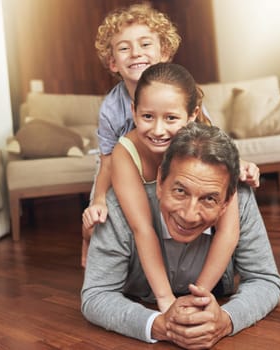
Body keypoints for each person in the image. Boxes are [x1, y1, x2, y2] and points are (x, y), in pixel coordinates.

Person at [82, 2, 259, 264]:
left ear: (164, 51)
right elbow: (107, 159)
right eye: (123, 48)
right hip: (123, 167)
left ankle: (210, 257)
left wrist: (239, 162)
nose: (135, 53)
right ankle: (87, 246)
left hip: (169, 165)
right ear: (112, 63)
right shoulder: (111, 106)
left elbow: (209, 135)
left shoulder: (182, 91)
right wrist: (98, 200)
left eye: (145, 44)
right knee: (95, 219)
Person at [81, 122, 280, 349]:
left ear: (227, 201)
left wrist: (225, 320)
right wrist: (159, 324)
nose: (189, 215)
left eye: (209, 199)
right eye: (180, 191)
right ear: (160, 181)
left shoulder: (241, 200)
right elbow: (97, 295)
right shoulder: (118, 207)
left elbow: (265, 280)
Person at [92, 62, 240, 314]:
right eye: (147, 117)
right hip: (144, 236)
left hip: (189, 251)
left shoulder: (209, 145)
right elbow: (143, 228)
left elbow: (228, 231)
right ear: (133, 110)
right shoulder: (125, 153)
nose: (158, 130)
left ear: (192, 115)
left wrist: (199, 296)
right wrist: (165, 298)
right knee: (93, 221)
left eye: (171, 118)